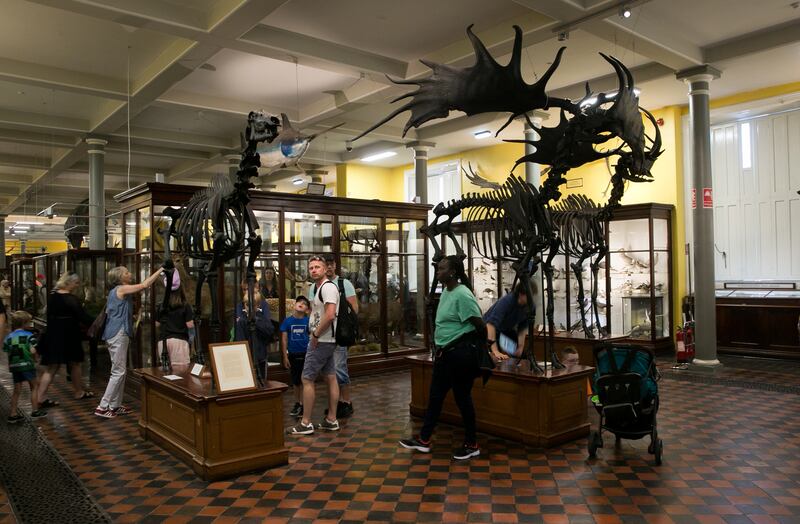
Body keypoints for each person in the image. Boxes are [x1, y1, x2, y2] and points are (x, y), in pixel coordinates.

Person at [399, 255, 487, 460]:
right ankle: (424, 440)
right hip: (445, 354)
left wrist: (483, 351)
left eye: (441, 269)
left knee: (462, 398)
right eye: (437, 269)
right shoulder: (447, 291)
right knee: (436, 397)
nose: (438, 272)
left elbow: (480, 326)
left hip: (460, 354)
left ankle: (472, 444)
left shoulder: (463, 294)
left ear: (453, 272)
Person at [94, 266, 162, 419]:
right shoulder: (121, 289)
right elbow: (144, 285)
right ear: (119, 278)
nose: (130, 273)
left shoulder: (115, 291)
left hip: (115, 332)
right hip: (118, 333)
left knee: (120, 370)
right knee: (118, 371)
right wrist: (160, 269)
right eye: (126, 272)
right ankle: (103, 406)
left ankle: (115, 405)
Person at [288, 255, 340, 435]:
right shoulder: (319, 288)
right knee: (331, 377)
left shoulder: (327, 288)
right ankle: (331, 420)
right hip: (325, 340)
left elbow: (331, 314)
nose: (314, 270)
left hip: (322, 340)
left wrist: (316, 334)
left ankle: (306, 422)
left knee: (307, 379)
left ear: (326, 269)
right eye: (311, 268)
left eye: (317, 267)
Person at [37, 273, 95, 407]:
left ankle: (40, 396)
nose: (77, 285)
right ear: (68, 283)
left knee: (52, 367)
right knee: (75, 363)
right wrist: (98, 322)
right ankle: (79, 392)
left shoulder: (53, 296)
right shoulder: (71, 299)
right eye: (76, 283)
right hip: (69, 335)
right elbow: (83, 317)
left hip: (53, 334)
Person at [312, 253, 358, 419]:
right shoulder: (315, 286)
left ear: (335, 266)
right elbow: (315, 310)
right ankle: (335, 403)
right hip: (324, 335)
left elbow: (354, 309)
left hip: (339, 334)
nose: (329, 267)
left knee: (340, 368)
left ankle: (346, 402)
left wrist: (347, 327)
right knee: (329, 372)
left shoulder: (345, 284)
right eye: (327, 264)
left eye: (332, 264)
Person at [3, 311, 47, 423]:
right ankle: (35, 411)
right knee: (34, 386)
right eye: (29, 322)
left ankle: (13, 414)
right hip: (27, 365)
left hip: (14, 366)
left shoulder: (8, 337)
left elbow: (8, 352)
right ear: (24, 323)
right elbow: (33, 350)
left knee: (16, 390)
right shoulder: (29, 336)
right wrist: (36, 358)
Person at [483, 282, 534, 361]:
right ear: (521, 294)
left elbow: (522, 328)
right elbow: (491, 325)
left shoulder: (529, 306)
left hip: (506, 330)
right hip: (489, 330)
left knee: (521, 356)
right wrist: (495, 351)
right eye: (530, 296)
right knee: (496, 359)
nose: (532, 299)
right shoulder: (506, 301)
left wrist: (520, 347)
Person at [280, 296, 311, 417]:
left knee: (305, 380)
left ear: (307, 310)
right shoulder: (287, 321)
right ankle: (298, 403)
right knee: (296, 381)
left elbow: (313, 335)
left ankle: (304, 404)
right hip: (293, 354)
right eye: (299, 302)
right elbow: (284, 339)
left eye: (304, 304)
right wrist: (285, 356)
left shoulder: (308, 321)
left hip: (306, 354)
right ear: (294, 304)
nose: (301, 304)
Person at [233, 289, 274, 380]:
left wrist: (255, 321)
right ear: (244, 305)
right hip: (246, 360)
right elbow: (240, 341)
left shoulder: (262, 318)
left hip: (261, 358)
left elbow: (270, 331)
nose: (250, 308)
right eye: (247, 305)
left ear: (258, 305)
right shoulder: (241, 322)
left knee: (262, 383)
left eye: (253, 305)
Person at [155, 285, 194, 367]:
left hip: (163, 340)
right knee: (180, 371)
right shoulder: (185, 305)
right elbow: (189, 324)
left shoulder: (161, 306)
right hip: (179, 341)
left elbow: (157, 324)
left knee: (165, 370)